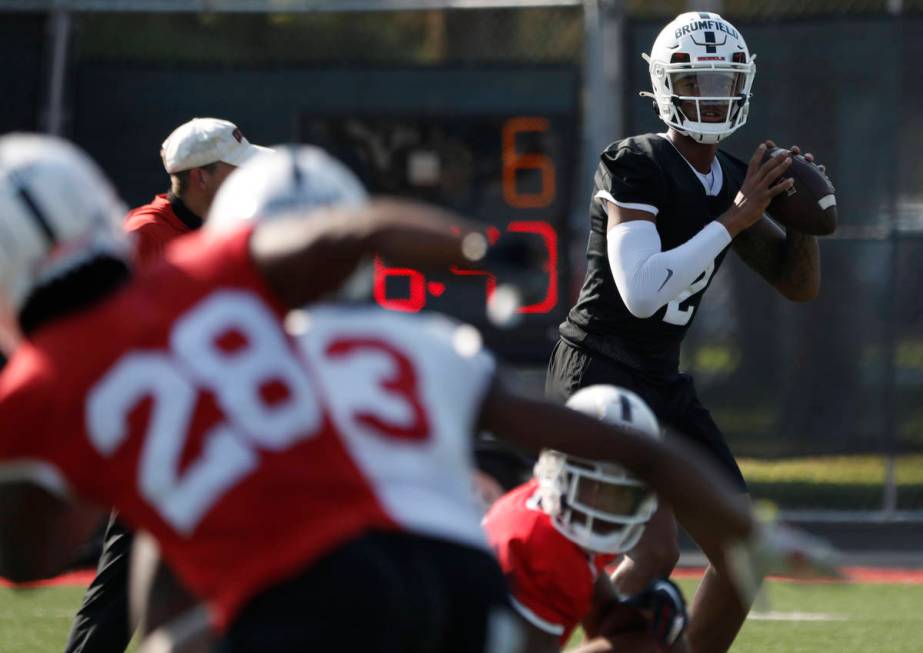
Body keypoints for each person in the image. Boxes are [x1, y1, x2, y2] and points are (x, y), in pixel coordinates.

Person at [0, 136, 819, 652]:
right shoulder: (241, 291)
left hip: (293, 591)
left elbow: (29, 556)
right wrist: (476, 246)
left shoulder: (47, 382)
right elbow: (352, 232)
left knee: (162, 578)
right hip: (452, 580)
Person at [546, 11, 827, 653]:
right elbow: (641, 293)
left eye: (722, 80)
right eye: (695, 79)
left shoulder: (732, 178)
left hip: (661, 379)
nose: (711, 94)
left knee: (744, 549)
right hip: (601, 368)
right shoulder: (636, 163)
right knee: (654, 551)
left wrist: (803, 218)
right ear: (666, 86)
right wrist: (735, 218)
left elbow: (798, 285)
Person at [64, 117, 270, 653]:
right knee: (124, 590)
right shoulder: (141, 237)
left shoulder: (228, 232)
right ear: (201, 177)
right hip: (157, 441)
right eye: (234, 170)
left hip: (224, 438)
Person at [484, 384, 687, 653]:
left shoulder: (559, 517)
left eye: (622, 491)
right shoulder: (543, 542)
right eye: (598, 483)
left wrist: (637, 615)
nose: (611, 502)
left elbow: (603, 617)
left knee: (650, 630)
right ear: (563, 470)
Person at [123, 117, 270, 266]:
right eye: (237, 167)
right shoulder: (141, 234)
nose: (249, 173)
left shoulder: (232, 225)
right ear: (200, 177)